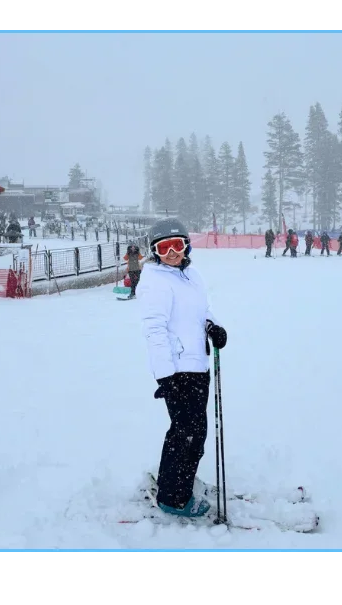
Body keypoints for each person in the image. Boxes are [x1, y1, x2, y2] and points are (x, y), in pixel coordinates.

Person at [139, 218, 229, 518]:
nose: (172, 253)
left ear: (187, 245)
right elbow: (155, 329)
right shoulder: (155, 281)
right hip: (178, 371)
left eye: (177, 245)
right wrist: (166, 376)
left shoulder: (192, 275)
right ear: (154, 252)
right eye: (164, 248)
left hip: (198, 365)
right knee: (186, 434)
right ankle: (173, 497)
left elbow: (202, 310)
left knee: (194, 433)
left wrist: (212, 326)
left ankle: (180, 482)